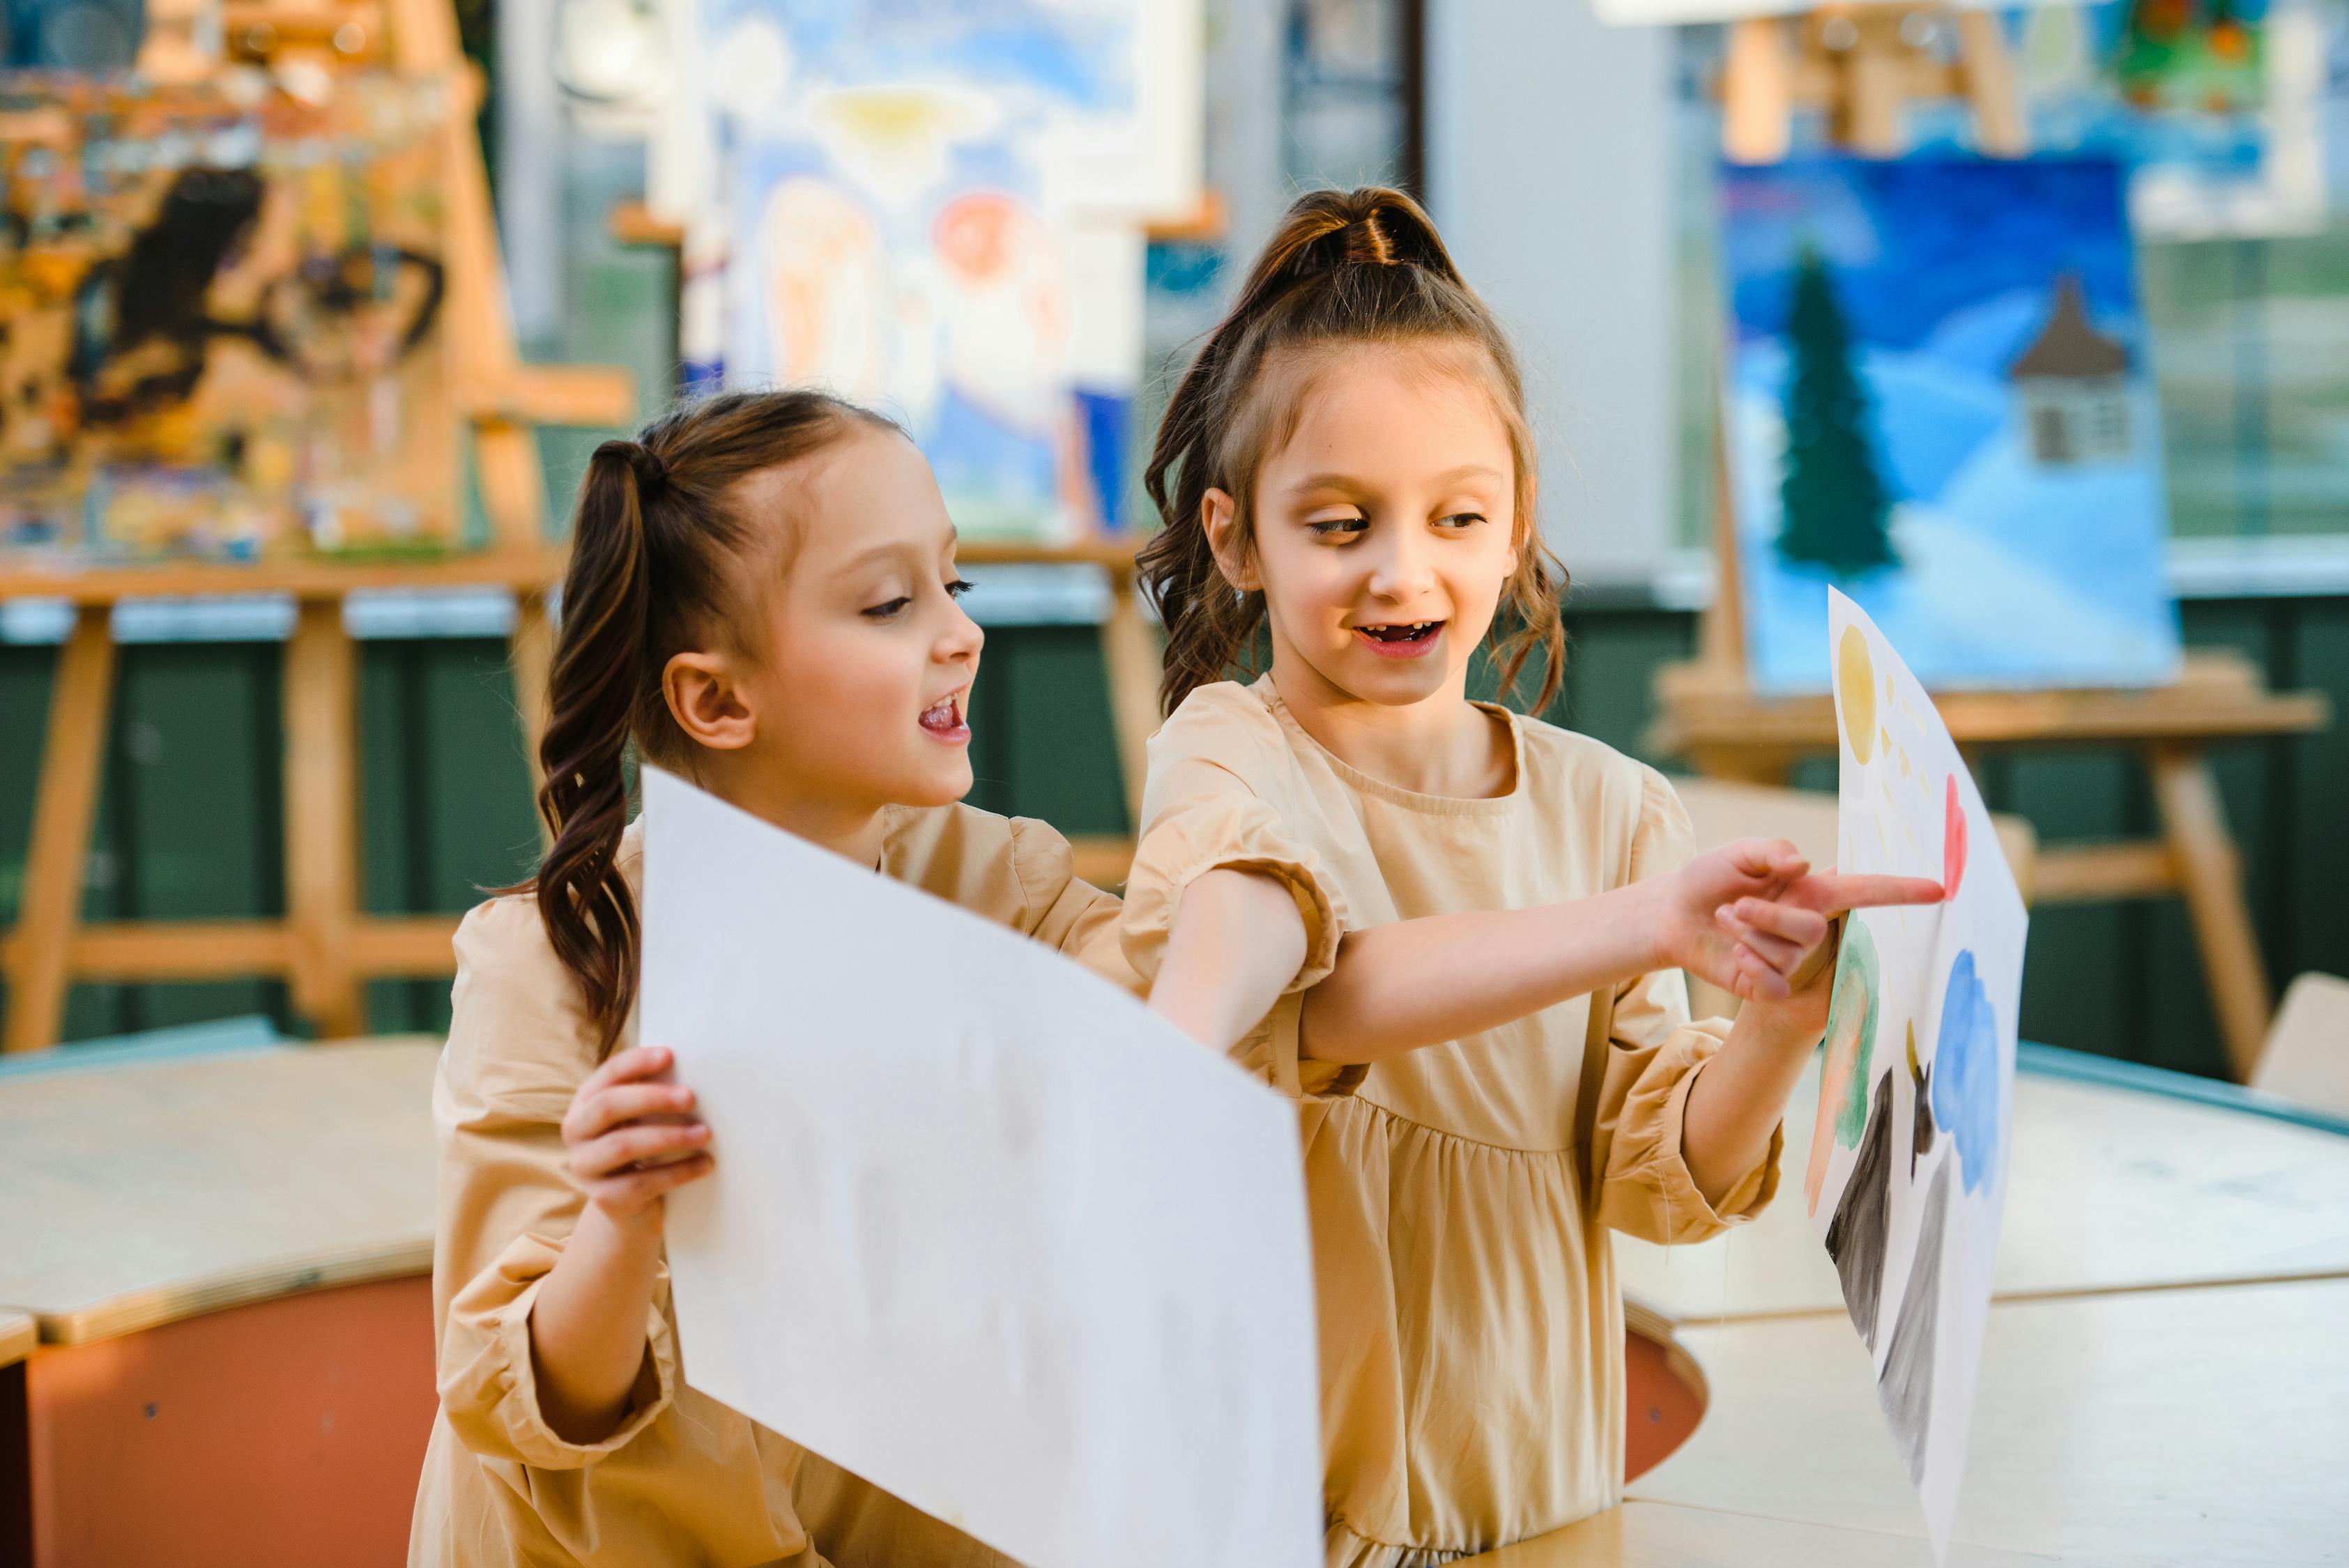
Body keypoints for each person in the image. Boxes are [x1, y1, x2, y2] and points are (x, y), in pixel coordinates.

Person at [1124, 187, 1944, 1566]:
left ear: (1513, 529)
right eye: (1337, 526)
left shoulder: (1611, 805)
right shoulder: (1228, 752)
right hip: (1291, 1509)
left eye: (1456, 517)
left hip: (1547, 1493)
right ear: (1231, 537)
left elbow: (1654, 1179)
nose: (1404, 570)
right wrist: (1640, 922)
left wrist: (1771, 1026)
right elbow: (1318, 988)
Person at [408, 390, 1124, 1567]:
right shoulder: (550, 962)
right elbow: (534, 1401)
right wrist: (622, 1215)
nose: (959, 632)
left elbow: (1184, 1012)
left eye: (958, 585)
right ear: (716, 699)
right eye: (891, 603)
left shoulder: (1003, 885)